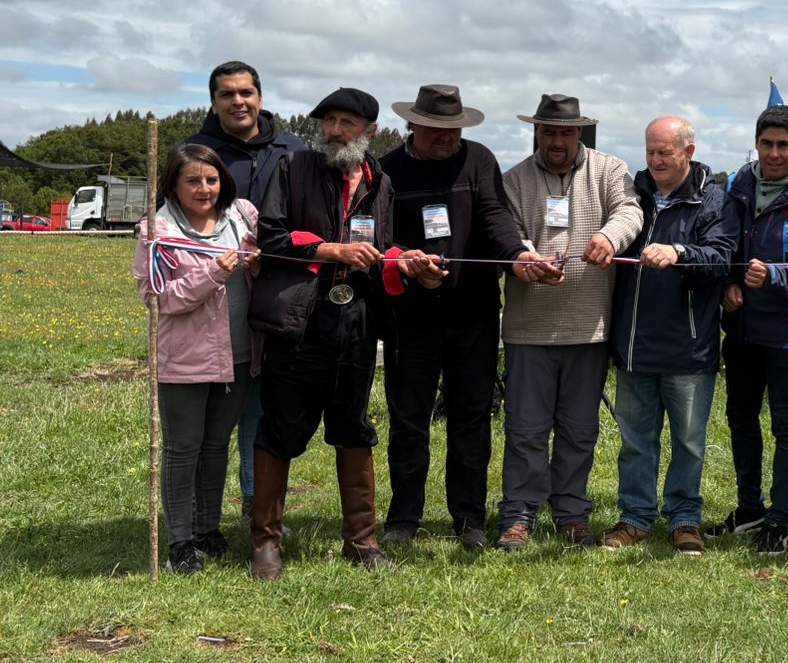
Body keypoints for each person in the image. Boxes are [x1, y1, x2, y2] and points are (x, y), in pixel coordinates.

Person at [246, 87, 437, 580]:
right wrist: (332, 251)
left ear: (369, 131)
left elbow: (383, 248)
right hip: (299, 321)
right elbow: (271, 238)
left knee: (353, 427)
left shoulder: (381, 182)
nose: (333, 131)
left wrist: (409, 263)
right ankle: (265, 542)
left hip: (356, 323)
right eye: (328, 121)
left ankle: (361, 541)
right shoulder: (294, 169)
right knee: (281, 428)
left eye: (345, 123)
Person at [377, 84, 527, 552]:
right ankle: (403, 519)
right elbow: (379, 235)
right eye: (437, 129)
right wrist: (406, 263)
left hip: (474, 315)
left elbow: (494, 217)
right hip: (411, 319)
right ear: (413, 125)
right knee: (409, 420)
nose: (447, 137)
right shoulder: (387, 169)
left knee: (472, 418)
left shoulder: (478, 160)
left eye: (454, 128)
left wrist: (518, 256)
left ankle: (470, 520)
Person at [498, 94, 643, 551]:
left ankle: (572, 513)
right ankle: (519, 514)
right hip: (529, 325)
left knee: (580, 430)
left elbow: (631, 210)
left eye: (565, 132)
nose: (556, 141)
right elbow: (505, 230)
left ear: (579, 132)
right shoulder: (514, 179)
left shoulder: (610, 169)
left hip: (590, 326)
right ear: (536, 132)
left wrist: (608, 236)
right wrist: (524, 257)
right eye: (548, 132)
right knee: (525, 429)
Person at [181, 60, 307, 536]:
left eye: (246, 92)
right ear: (213, 102)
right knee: (210, 416)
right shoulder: (195, 152)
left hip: (279, 297)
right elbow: (169, 221)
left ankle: (258, 506)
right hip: (213, 298)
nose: (238, 101)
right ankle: (199, 513)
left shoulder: (292, 150)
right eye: (227, 94)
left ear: (260, 95)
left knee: (263, 408)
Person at [604, 117, 736, 557]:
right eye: (650, 152)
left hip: (688, 348)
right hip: (634, 346)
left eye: (666, 152)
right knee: (635, 442)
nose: (656, 161)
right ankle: (636, 518)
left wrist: (678, 252)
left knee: (689, 444)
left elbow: (721, 258)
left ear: (689, 152)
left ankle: (684, 519)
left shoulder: (714, 200)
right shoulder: (631, 194)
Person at [711, 103, 788, 556]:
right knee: (740, 419)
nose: (774, 153)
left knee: (786, 428)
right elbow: (724, 243)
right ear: (757, 142)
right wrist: (727, 281)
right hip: (742, 329)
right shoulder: (738, 185)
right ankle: (750, 508)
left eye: (784, 145)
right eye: (767, 143)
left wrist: (778, 276)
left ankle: (780, 518)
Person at [132, 143, 259, 574]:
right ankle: (181, 542)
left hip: (238, 355)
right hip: (184, 359)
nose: (204, 188)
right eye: (192, 180)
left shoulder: (242, 217)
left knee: (216, 445)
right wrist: (214, 273)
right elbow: (157, 298)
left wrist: (257, 268)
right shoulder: (156, 229)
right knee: (183, 450)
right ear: (172, 183)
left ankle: (209, 529)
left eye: (211, 179)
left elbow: (265, 265)